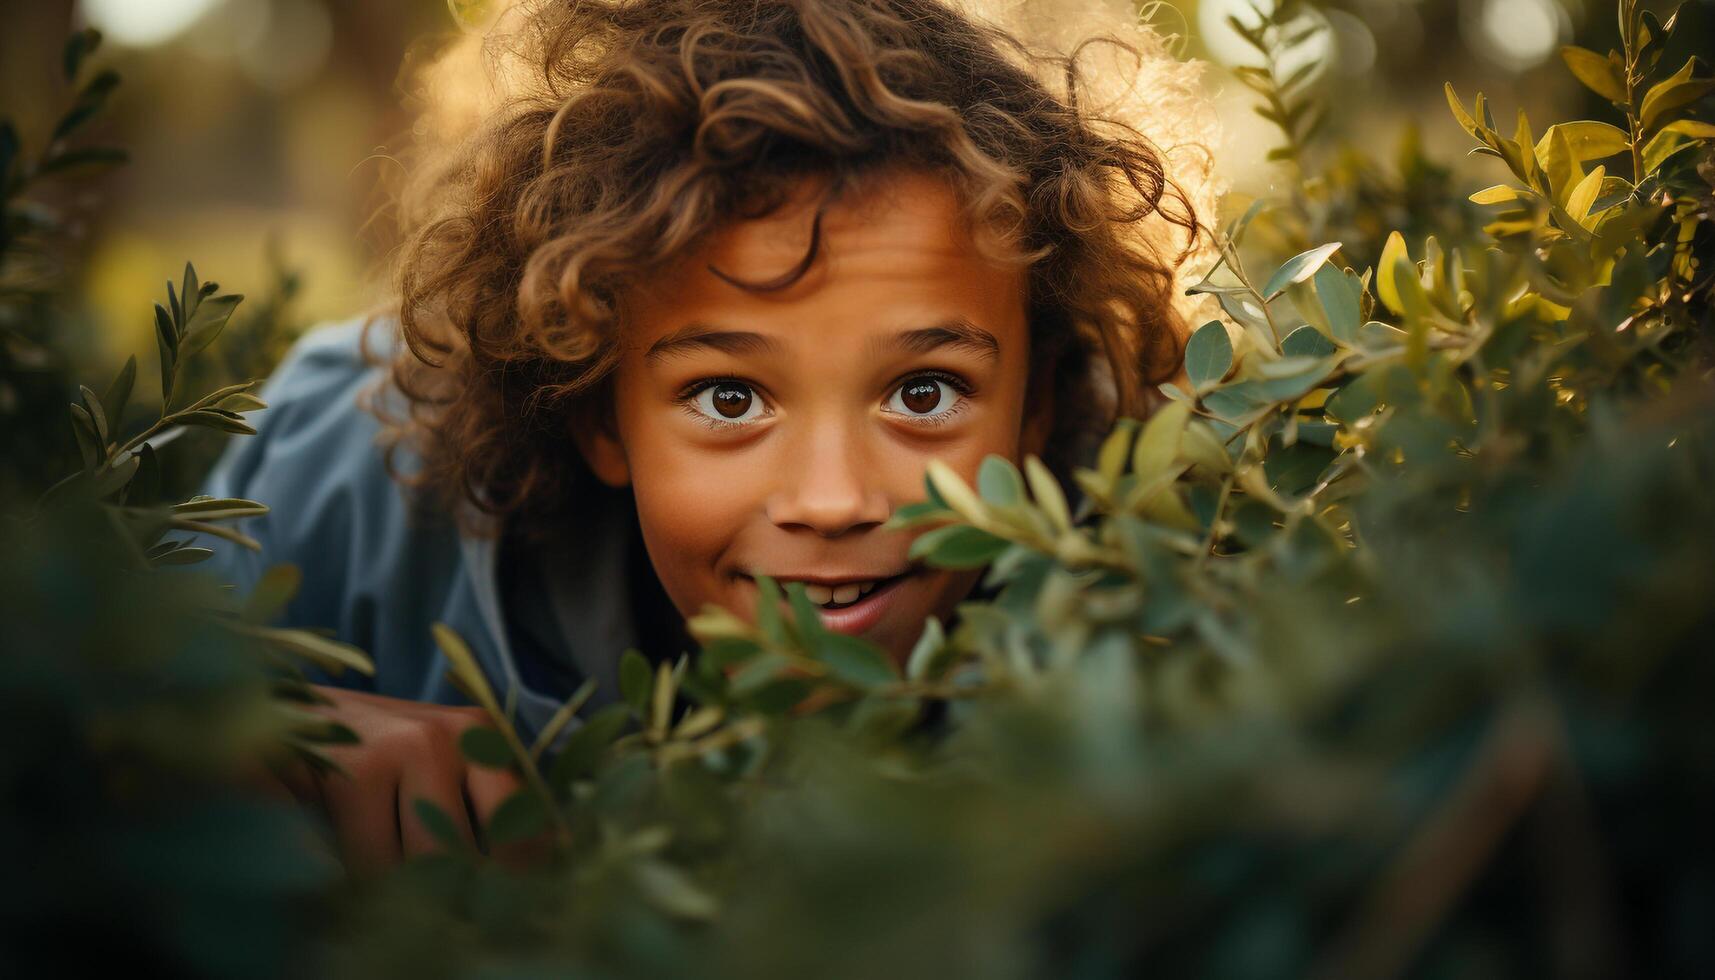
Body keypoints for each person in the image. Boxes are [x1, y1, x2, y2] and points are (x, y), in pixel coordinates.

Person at [201, 0, 1219, 872]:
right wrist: (243, 752)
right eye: (730, 399)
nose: (829, 499)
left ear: (1034, 407)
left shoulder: (1168, 567)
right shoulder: (343, 460)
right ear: (601, 409)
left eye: (922, 392)